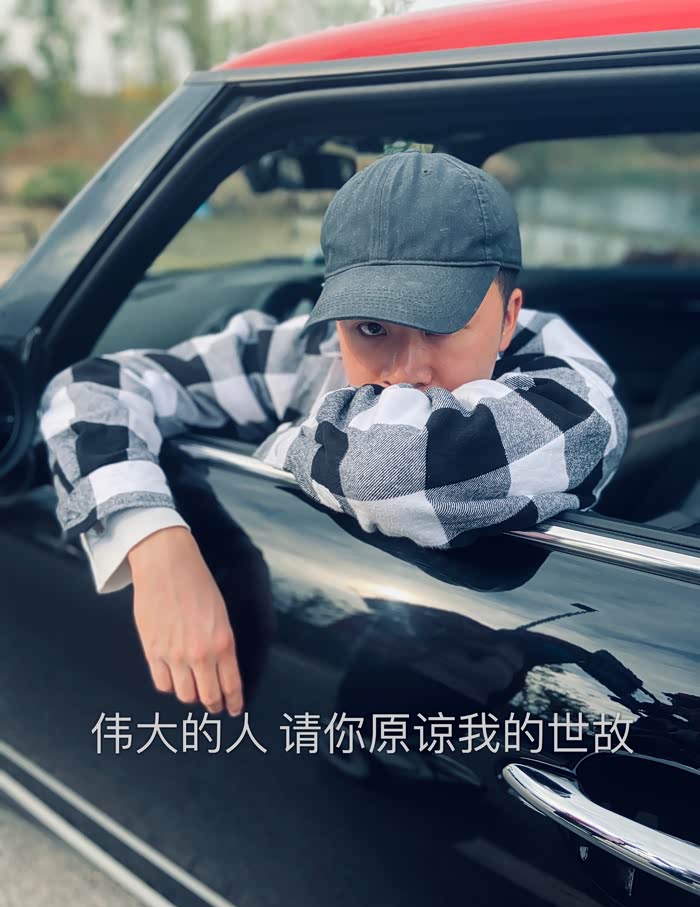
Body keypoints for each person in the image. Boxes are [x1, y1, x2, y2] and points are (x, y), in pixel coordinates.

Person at [38, 151, 628, 720]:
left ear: (508, 317)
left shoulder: (572, 393)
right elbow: (87, 388)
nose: (405, 371)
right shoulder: (312, 349)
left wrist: (280, 445)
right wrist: (154, 542)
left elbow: (395, 472)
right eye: (371, 327)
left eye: (444, 325)